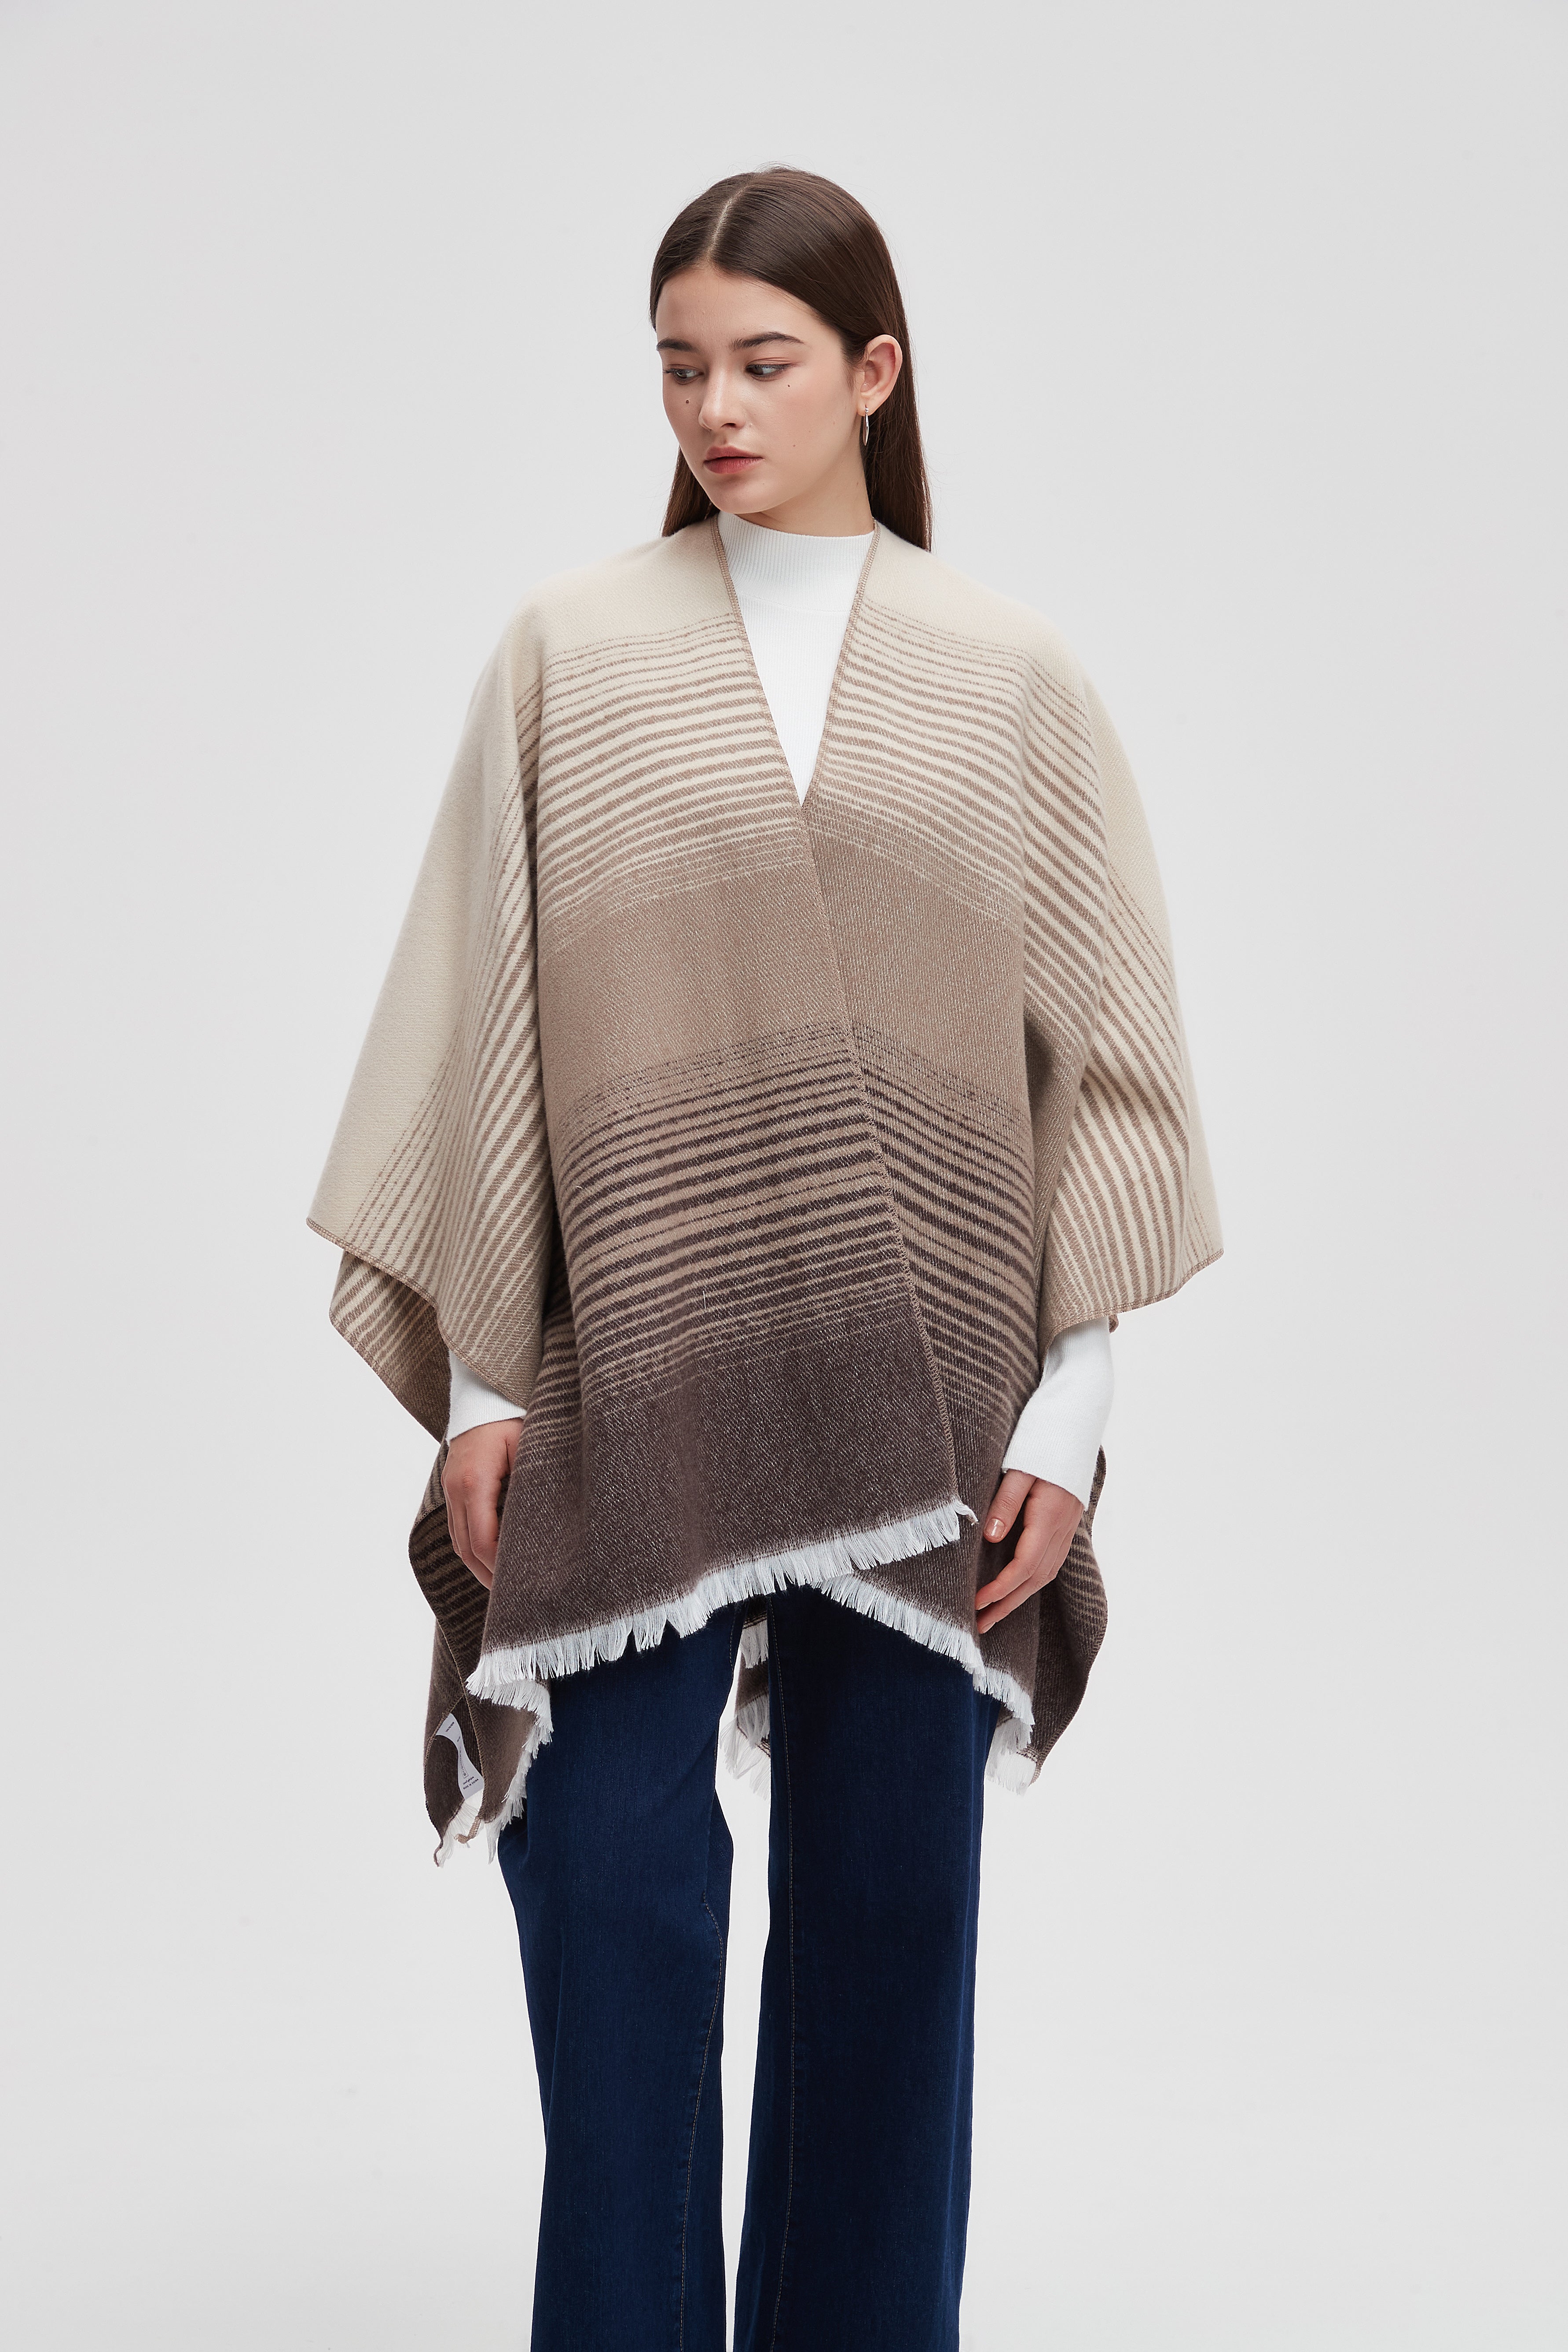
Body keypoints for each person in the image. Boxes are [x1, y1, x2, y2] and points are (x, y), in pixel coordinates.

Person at [309, 166, 1220, 2352]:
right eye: (681, 367)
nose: (718, 407)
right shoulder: (575, 653)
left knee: (891, 1924)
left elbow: (1101, 1064)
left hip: (935, 1399)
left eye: (765, 362)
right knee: (615, 1890)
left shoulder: (1007, 678)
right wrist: (486, 1384)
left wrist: (1075, 1406)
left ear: (874, 372)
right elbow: (490, 1023)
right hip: (631, 1374)